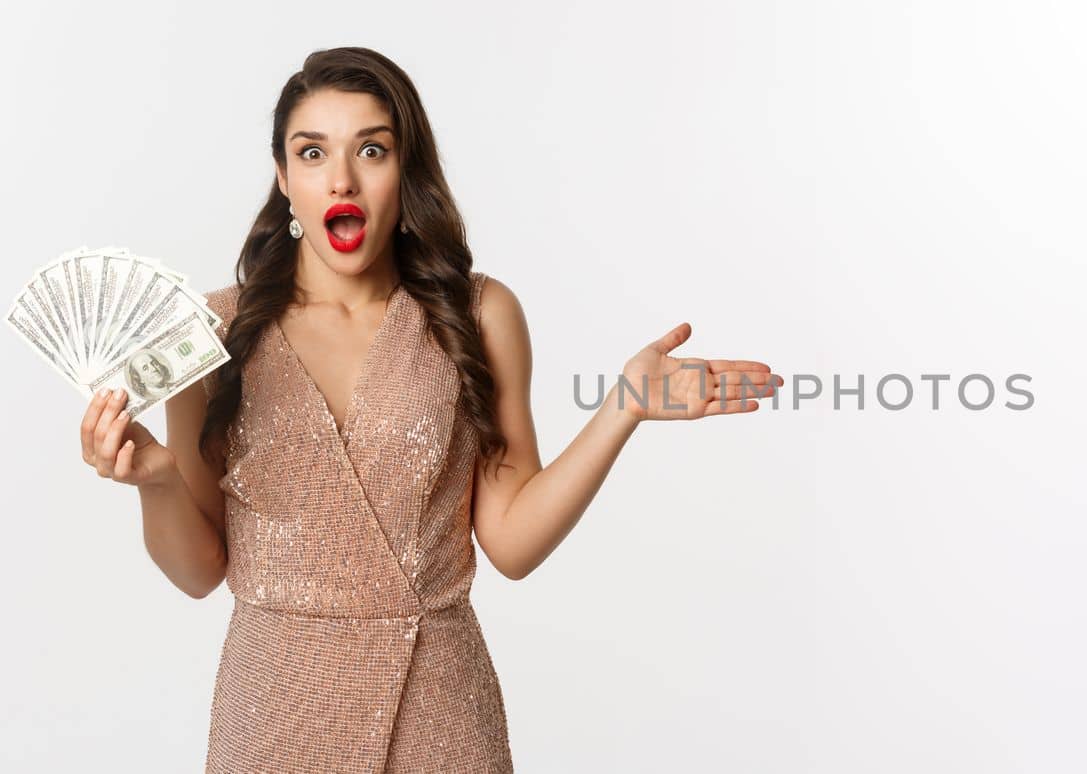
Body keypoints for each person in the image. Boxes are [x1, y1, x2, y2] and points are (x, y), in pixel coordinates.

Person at [76, 46, 782, 773]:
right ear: (285, 180)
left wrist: (622, 410)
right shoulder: (207, 333)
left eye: (371, 149)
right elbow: (198, 572)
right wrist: (155, 479)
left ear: (405, 170)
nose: (341, 177)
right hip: (272, 711)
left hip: (438, 706)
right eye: (312, 152)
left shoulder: (477, 314)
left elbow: (511, 543)